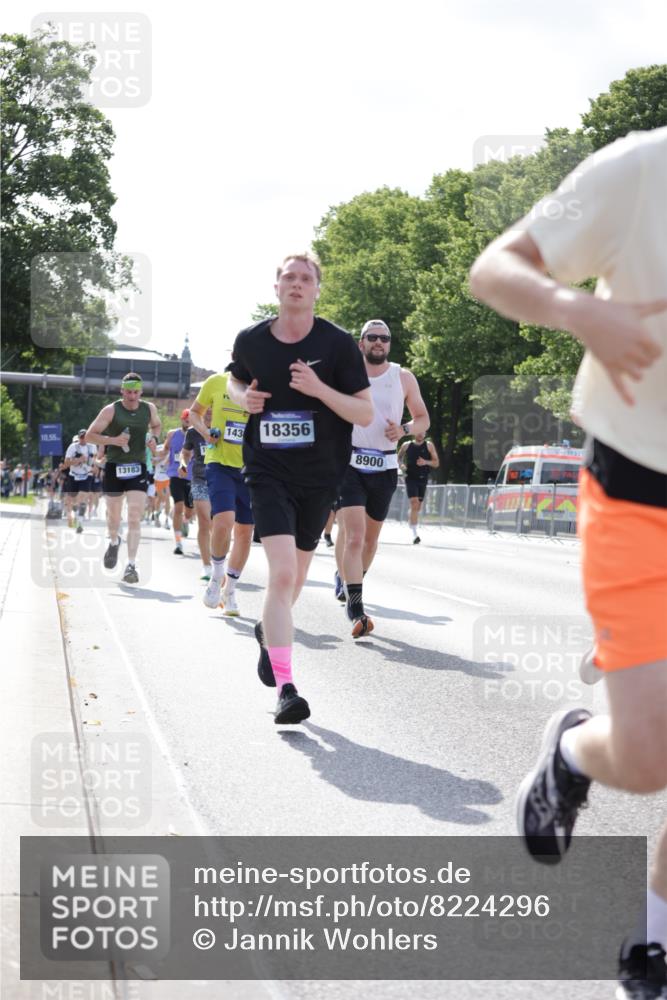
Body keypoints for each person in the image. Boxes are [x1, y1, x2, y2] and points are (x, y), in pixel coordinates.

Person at [470, 126, 667, 999]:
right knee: (652, 754)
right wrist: (579, 309)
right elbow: (495, 268)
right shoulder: (641, 168)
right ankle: (574, 755)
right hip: (638, 496)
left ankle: (655, 937)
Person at [228, 252, 372, 723]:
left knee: (293, 582)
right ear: (276, 287)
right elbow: (234, 380)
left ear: (316, 289)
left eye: (305, 278)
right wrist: (242, 397)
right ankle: (286, 690)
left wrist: (319, 390)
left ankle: (268, 631)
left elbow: (364, 413)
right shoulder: (252, 339)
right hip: (267, 470)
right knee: (283, 574)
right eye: (288, 277)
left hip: (321, 475)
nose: (296, 284)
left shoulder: (337, 345)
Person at [335, 319, 430, 637]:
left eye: (384, 338)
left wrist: (403, 430)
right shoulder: (348, 373)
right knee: (354, 536)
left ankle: (350, 581)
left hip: (386, 467)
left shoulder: (402, 376)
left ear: (389, 344)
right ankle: (356, 608)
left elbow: (422, 418)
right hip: (350, 464)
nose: (378, 342)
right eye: (372, 337)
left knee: (371, 541)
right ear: (360, 342)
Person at [85, 373, 161, 584]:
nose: (132, 396)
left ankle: (131, 565)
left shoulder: (149, 408)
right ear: (122, 390)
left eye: (136, 392)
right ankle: (114, 540)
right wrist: (113, 440)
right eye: (128, 392)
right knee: (113, 517)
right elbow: (90, 435)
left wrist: (154, 438)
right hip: (114, 467)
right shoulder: (110, 410)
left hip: (137, 467)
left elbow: (156, 425)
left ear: (141, 392)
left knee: (135, 515)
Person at [188, 372, 253, 614]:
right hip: (219, 463)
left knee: (245, 532)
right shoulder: (216, 382)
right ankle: (217, 576)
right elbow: (195, 412)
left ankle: (231, 590)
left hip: (251, 468)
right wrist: (205, 433)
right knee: (223, 522)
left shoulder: (265, 383)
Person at [180, 406, 214, 582]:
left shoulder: (224, 427)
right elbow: (185, 453)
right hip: (200, 478)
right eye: (206, 408)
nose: (209, 411)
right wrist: (183, 464)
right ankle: (207, 566)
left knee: (219, 525)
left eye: (212, 407)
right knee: (204, 521)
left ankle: (218, 561)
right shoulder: (193, 432)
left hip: (222, 479)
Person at [156, 410, 194, 555]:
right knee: (178, 506)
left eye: (191, 421)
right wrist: (154, 451)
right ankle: (178, 542)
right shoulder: (173, 434)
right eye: (186, 420)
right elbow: (165, 451)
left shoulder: (198, 434)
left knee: (189, 511)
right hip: (175, 474)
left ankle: (186, 521)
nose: (188, 423)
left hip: (191, 477)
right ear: (182, 420)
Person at [397, 431, 440, 543]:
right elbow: (399, 458)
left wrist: (425, 462)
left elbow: (436, 463)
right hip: (410, 478)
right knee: (414, 503)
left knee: (417, 507)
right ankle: (414, 534)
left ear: (425, 434)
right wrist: (401, 465)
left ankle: (411, 516)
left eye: (423, 433)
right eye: (419, 432)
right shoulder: (406, 445)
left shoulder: (429, 445)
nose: (421, 434)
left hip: (423, 479)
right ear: (414, 433)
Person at [63, 430, 96, 532]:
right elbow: (66, 463)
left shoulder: (92, 447)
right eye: (81, 437)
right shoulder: (72, 447)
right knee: (74, 501)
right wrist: (78, 460)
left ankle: (80, 523)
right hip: (73, 475)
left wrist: (93, 464)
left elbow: (94, 462)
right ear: (78, 437)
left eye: (85, 437)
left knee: (82, 499)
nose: (83, 439)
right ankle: (76, 516)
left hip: (87, 475)